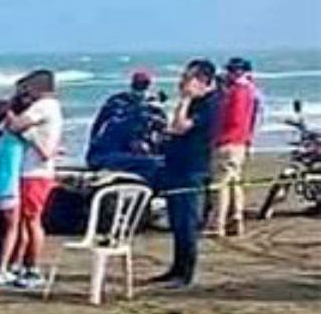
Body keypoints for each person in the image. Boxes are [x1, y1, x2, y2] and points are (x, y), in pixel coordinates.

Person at [149, 59, 222, 288]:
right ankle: (176, 268)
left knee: (187, 222)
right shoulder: (198, 102)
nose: (182, 83)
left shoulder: (210, 103)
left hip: (192, 168)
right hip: (177, 166)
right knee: (177, 222)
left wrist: (186, 99)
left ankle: (185, 273)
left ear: (203, 81)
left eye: (187, 78)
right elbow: (174, 126)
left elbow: (181, 126)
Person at [0, 69, 62, 290]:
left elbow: (16, 126)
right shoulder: (50, 107)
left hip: (35, 172)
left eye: (28, 89)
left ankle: (33, 267)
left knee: (32, 220)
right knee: (24, 220)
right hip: (30, 171)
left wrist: (7, 112)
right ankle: (20, 264)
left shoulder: (44, 106)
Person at [0, 94, 30, 280]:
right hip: (8, 184)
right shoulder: (21, 133)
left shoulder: (0, 134)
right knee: (11, 228)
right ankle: (2, 268)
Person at [208, 57, 260, 237]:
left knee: (220, 184)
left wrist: (216, 137)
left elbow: (231, 118)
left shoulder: (237, 91)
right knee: (234, 181)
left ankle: (218, 223)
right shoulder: (252, 91)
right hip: (241, 141)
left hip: (228, 141)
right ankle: (236, 217)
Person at [85, 70, 167, 182]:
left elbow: (160, 134)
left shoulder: (119, 103)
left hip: (106, 156)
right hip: (108, 156)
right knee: (156, 164)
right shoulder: (120, 105)